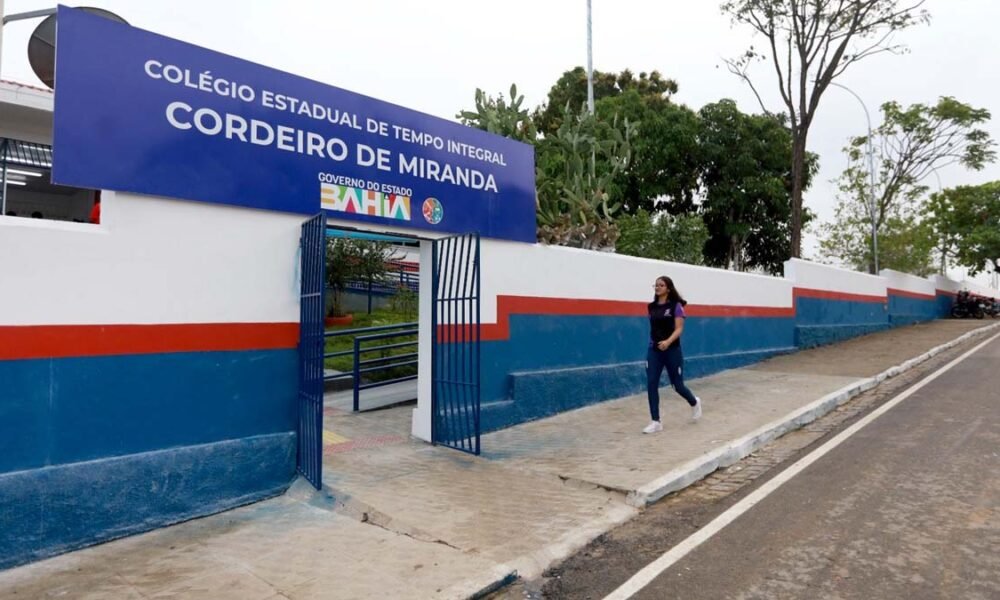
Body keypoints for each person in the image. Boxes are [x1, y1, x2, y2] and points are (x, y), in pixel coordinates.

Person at [643, 275, 702, 434]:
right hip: (654, 350)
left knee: (677, 385)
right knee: (651, 383)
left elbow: (679, 329)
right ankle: (656, 421)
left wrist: (668, 342)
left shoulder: (676, 306)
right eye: (655, 285)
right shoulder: (651, 307)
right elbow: (654, 329)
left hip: (672, 349)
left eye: (661, 285)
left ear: (668, 288)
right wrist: (654, 344)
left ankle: (694, 402)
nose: (657, 287)